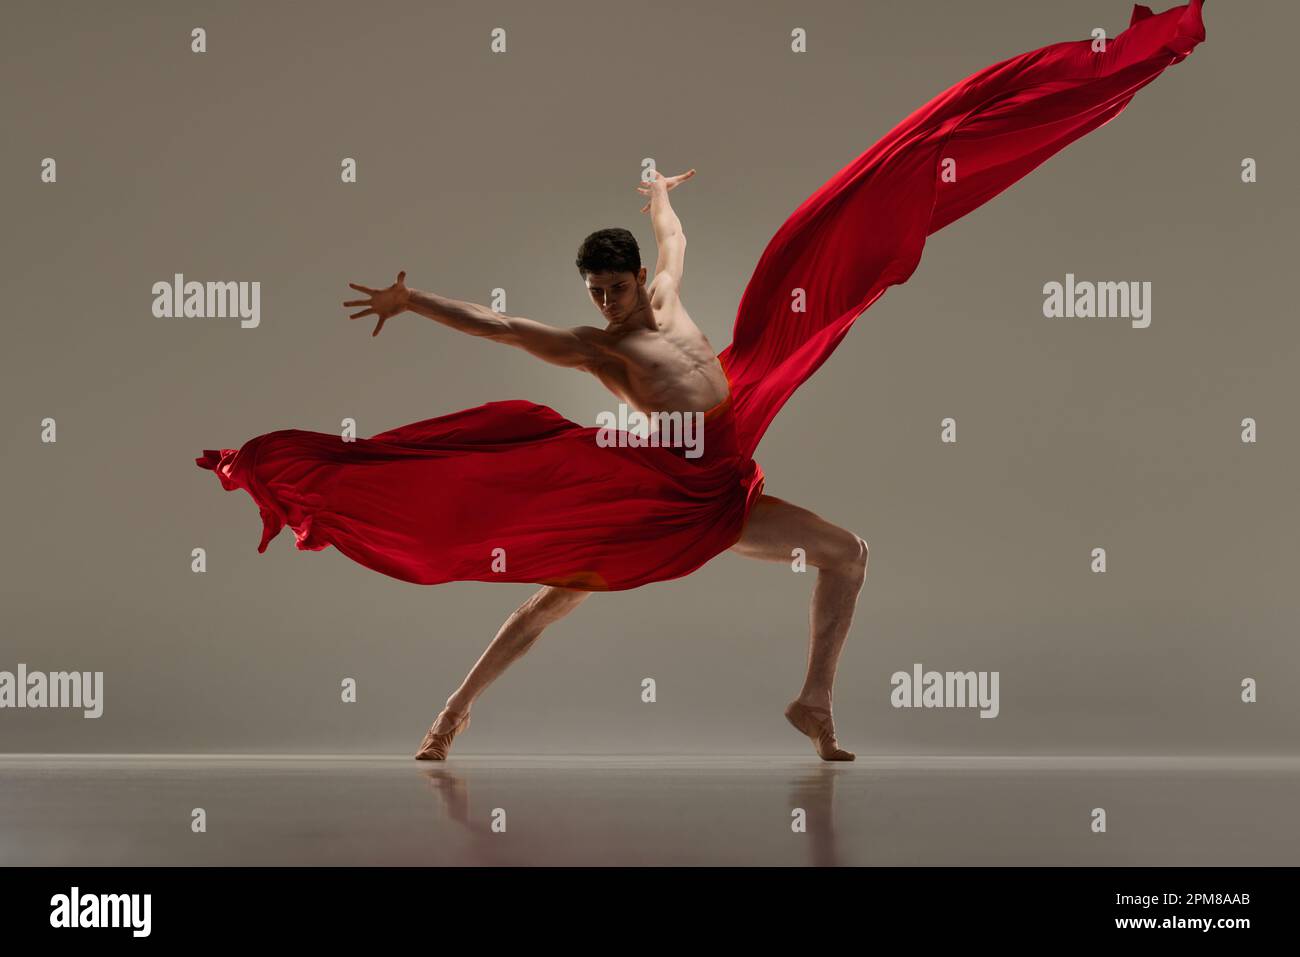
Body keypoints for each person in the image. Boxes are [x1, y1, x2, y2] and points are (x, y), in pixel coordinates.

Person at [198, 0, 1206, 762]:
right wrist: (418, 304)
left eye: (615, 283)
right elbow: (504, 324)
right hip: (652, 485)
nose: (606, 301)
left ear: (637, 274)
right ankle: (453, 713)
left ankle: (813, 701)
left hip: (726, 463)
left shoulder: (667, 293)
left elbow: (675, 237)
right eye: (593, 290)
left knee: (847, 553)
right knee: (550, 602)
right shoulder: (596, 349)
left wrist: (654, 197)